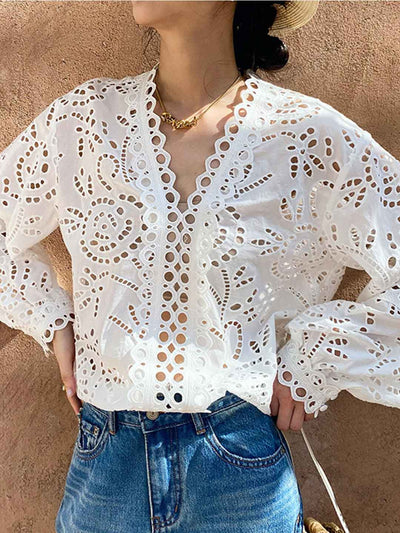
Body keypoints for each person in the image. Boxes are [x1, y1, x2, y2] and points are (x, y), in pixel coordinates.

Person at [1, 1, 399, 532]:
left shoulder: (307, 135)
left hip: (240, 469)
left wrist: (316, 361)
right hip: (105, 467)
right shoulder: (84, 120)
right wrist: (52, 322)